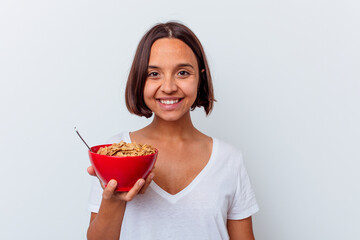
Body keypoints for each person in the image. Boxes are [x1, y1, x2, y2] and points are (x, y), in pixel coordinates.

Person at [86, 22, 259, 240]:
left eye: (183, 72)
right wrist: (113, 200)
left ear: (200, 78)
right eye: (154, 74)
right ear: (140, 80)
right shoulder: (114, 154)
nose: (168, 87)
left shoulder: (229, 159)